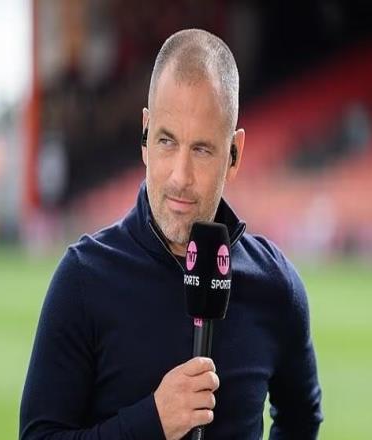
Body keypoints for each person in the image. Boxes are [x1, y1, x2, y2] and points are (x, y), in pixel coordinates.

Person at [20, 29, 323, 440]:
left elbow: (302, 417)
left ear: (234, 154)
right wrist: (153, 420)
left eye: (202, 149)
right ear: (145, 135)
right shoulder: (83, 279)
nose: (180, 176)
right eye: (167, 141)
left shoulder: (276, 286)